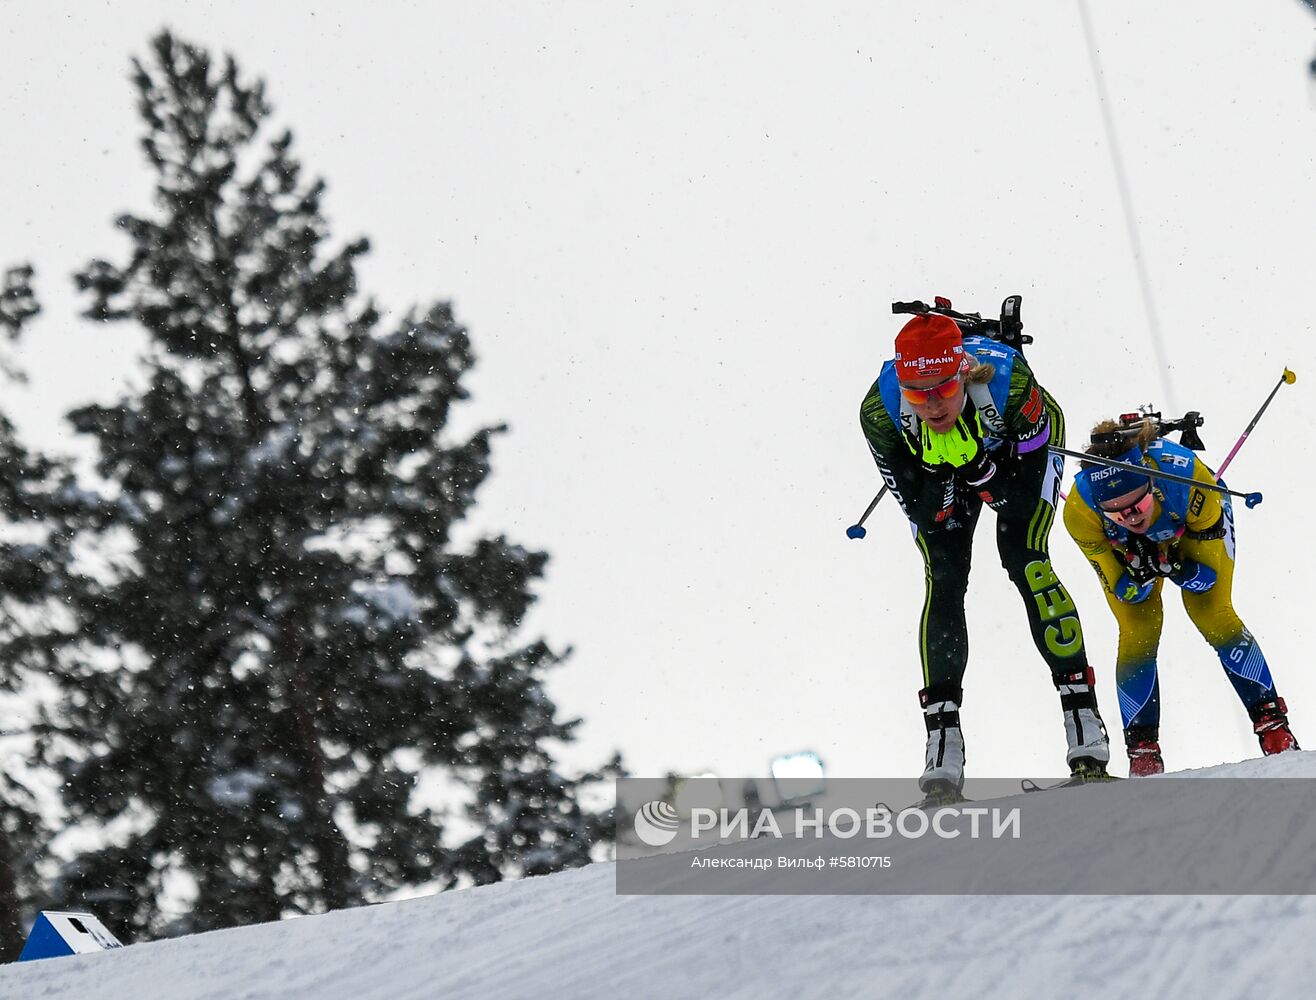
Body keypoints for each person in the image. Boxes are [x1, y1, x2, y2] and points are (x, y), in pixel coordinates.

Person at [859, 312, 1112, 801]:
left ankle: (1086, 729)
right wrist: (941, 472)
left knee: (1025, 557)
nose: (931, 403)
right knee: (945, 576)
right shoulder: (879, 411)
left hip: (1015, 450)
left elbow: (1017, 501)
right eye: (917, 391)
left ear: (963, 373)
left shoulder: (1008, 383)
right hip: (934, 466)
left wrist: (979, 467)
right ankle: (942, 745)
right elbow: (924, 512)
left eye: (941, 387)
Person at [1064, 419, 1299, 776]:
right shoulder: (1080, 513)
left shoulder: (1190, 481)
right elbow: (1118, 584)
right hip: (1125, 546)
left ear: (1150, 484)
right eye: (1115, 511)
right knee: (1137, 631)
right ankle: (1143, 750)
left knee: (1212, 614)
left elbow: (1206, 578)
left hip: (1191, 523)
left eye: (1136, 506)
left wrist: (1180, 569)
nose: (1128, 515)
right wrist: (1137, 579)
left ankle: (1273, 726)